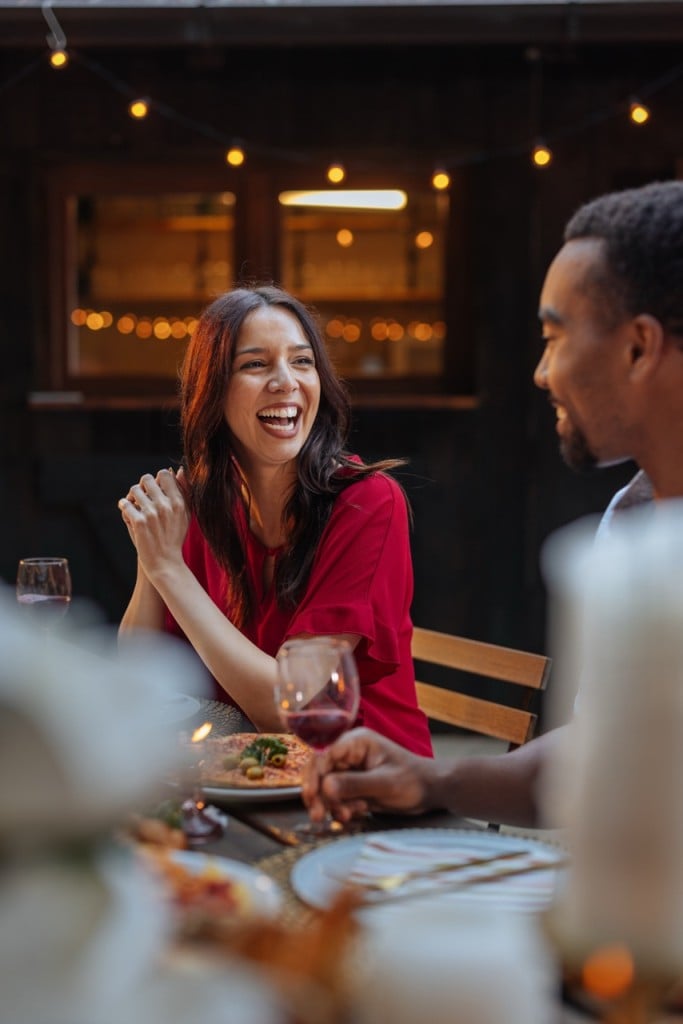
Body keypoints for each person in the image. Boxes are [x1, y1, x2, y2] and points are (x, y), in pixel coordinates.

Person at [303, 178, 683, 828]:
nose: (541, 372)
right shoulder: (631, 523)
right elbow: (599, 754)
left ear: (636, 348)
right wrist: (429, 778)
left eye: (552, 336)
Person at [118, 284, 432, 756]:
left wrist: (168, 568)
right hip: (246, 775)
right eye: (255, 364)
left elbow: (295, 711)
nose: (286, 381)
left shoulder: (367, 503)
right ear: (214, 392)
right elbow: (138, 679)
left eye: (302, 361)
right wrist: (153, 553)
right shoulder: (204, 505)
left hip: (368, 783)